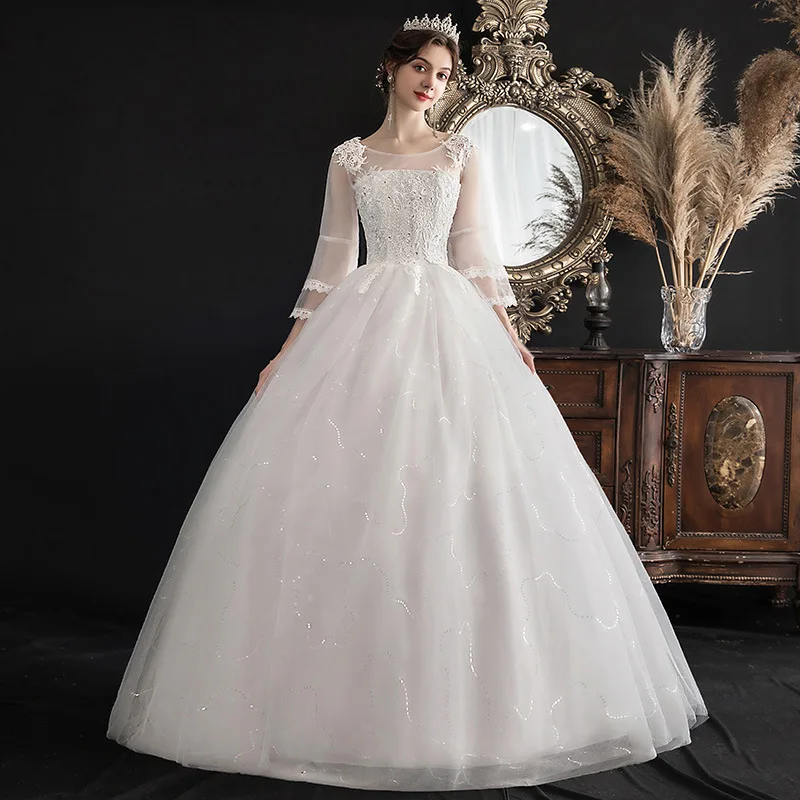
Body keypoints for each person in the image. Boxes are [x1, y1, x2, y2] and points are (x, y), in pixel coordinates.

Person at [107, 12, 708, 792]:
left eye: (444, 75)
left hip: (450, 321)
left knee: (454, 490)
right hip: (365, 320)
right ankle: (338, 703)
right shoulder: (350, 158)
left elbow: (475, 252)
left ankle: (477, 700)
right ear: (392, 69)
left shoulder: (460, 152)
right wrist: (287, 352)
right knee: (354, 491)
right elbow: (331, 261)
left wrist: (510, 335)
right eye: (422, 67)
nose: (432, 83)